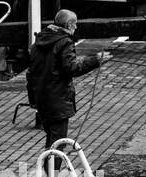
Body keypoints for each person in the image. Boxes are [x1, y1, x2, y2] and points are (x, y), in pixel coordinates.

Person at [27, 10, 111, 148]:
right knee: (58, 144)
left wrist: (33, 100)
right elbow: (71, 68)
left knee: (51, 140)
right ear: (68, 24)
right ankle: (51, 170)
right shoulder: (65, 42)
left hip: (42, 100)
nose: (76, 27)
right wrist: (95, 60)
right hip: (57, 100)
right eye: (75, 24)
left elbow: (30, 74)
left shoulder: (38, 43)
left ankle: (48, 168)